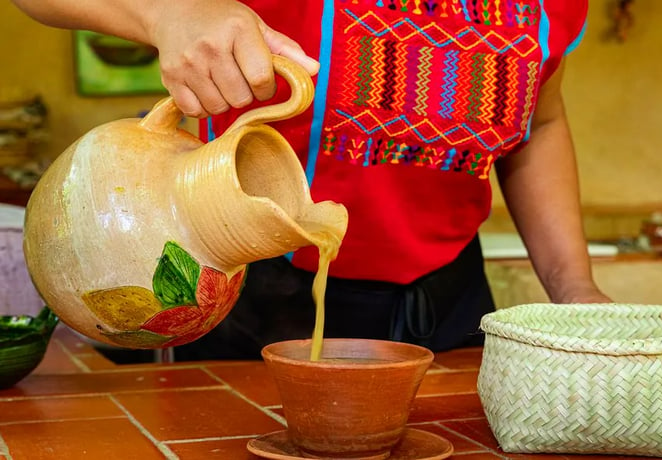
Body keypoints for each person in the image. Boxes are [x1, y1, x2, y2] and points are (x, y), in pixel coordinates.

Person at [11, 0, 611, 360]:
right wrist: (170, 12)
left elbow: (543, 120)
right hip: (255, 297)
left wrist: (574, 286)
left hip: (450, 302)